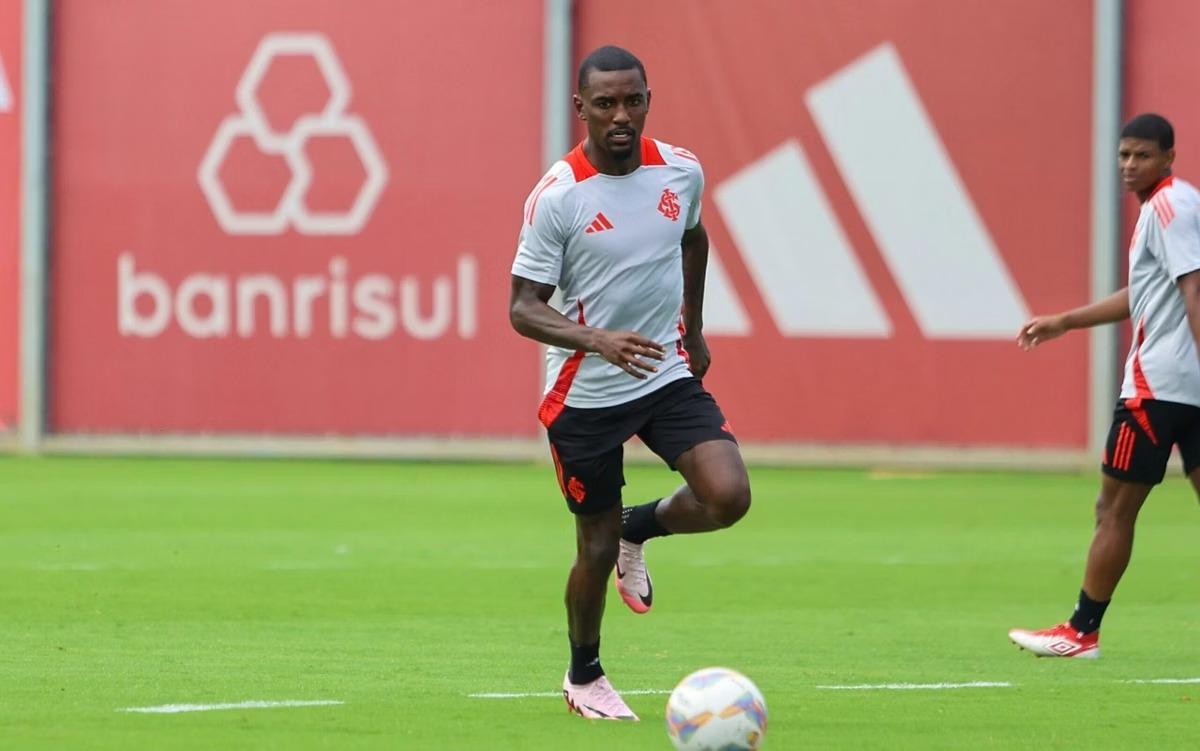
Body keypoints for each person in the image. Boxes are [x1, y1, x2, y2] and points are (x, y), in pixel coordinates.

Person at [508, 45, 751, 718]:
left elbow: (693, 238)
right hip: (585, 393)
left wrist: (693, 329)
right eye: (606, 103)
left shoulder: (681, 170)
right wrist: (597, 340)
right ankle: (584, 676)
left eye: (633, 101)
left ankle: (636, 527)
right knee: (591, 547)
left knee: (728, 495)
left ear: (648, 101)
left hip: (663, 370)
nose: (621, 115)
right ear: (581, 108)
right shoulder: (558, 196)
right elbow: (522, 308)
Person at [1009, 113, 1200, 659]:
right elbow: (1148, 293)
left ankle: (1081, 631)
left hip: (1156, 389)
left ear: (1169, 157)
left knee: (1112, 509)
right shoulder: (1176, 205)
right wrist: (1067, 321)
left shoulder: (1167, 207)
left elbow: (1194, 291)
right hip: (1187, 389)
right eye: (1124, 155)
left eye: (1143, 155)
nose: (1130, 165)